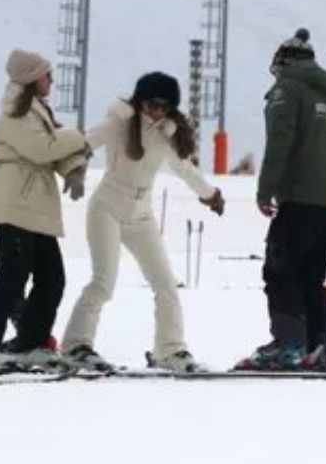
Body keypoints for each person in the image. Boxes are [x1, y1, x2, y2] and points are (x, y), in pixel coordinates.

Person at [60, 72, 225, 373]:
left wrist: (210, 194)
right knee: (103, 281)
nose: (156, 111)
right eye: (151, 104)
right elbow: (85, 143)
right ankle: (76, 346)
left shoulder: (169, 134)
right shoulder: (120, 122)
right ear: (139, 101)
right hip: (107, 207)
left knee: (165, 284)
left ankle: (170, 349)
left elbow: (184, 170)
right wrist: (74, 169)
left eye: (164, 106)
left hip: (142, 215)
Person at [238, 28, 326, 371]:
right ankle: (317, 345)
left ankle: (289, 345)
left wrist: (266, 189)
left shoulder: (287, 90)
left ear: (282, 63)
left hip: (301, 195)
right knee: (310, 276)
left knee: (280, 270)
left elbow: (280, 142)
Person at [0, 50, 90, 369]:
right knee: (12, 276)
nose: (52, 80)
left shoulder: (35, 110)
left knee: (52, 278)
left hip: (32, 206)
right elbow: (41, 148)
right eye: (47, 74)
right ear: (33, 78)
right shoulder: (15, 112)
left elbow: (48, 148)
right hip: (14, 202)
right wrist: (79, 137)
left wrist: (73, 167)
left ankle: (31, 340)